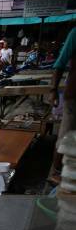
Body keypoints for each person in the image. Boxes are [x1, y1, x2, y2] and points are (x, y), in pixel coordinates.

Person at [50, 27, 76, 180]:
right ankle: (56, 171)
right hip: (74, 95)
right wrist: (53, 90)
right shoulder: (75, 33)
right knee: (66, 135)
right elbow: (60, 63)